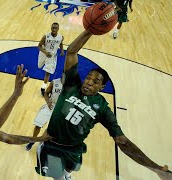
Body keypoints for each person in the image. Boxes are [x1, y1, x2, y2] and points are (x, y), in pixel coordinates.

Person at [35, 30, 172, 180]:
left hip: (74, 149)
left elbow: (122, 141)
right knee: (58, 177)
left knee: (69, 170)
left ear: (102, 87)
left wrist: (155, 168)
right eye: (88, 78)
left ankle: (67, 175)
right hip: (52, 145)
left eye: (95, 81)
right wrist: (90, 30)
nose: (89, 82)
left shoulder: (103, 108)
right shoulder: (71, 85)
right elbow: (72, 52)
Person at [25, 78, 63, 151]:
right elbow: (46, 93)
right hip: (51, 106)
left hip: (60, 110)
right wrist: (48, 102)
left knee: (53, 131)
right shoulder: (55, 82)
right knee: (38, 125)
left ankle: (45, 144)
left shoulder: (72, 85)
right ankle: (32, 140)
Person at [38, 22, 64, 96]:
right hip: (44, 53)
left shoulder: (61, 37)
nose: (54, 29)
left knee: (47, 73)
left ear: (58, 29)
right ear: (51, 28)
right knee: (39, 66)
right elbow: (39, 46)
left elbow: (61, 43)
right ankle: (43, 87)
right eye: (53, 28)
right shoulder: (45, 36)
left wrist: (61, 50)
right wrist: (45, 52)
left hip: (52, 56)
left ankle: (43, 88)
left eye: (55, 28)